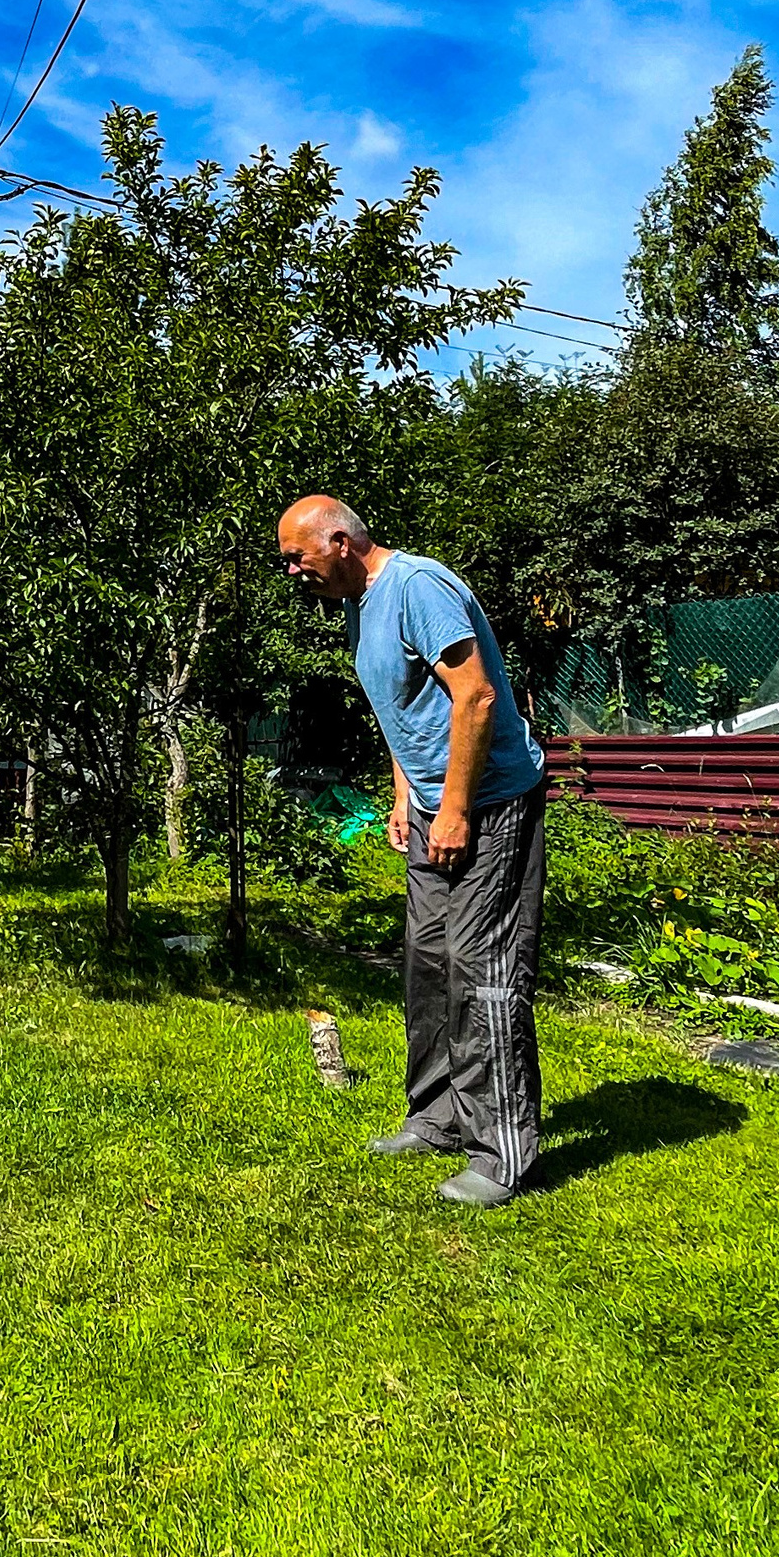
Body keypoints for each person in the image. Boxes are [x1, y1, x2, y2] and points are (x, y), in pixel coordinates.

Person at [277, 498, 547, 1206]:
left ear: (339, 540)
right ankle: (437, 1117)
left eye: (296, 556)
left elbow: (477, 697)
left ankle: (502, 1154)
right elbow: (402, 710)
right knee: (428, 961)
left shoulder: (419, 586)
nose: (292, 571)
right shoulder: (359, 607)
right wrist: (407, 796)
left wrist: (455, 807)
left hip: (489, 802)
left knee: (481, 967)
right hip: (433, 807)